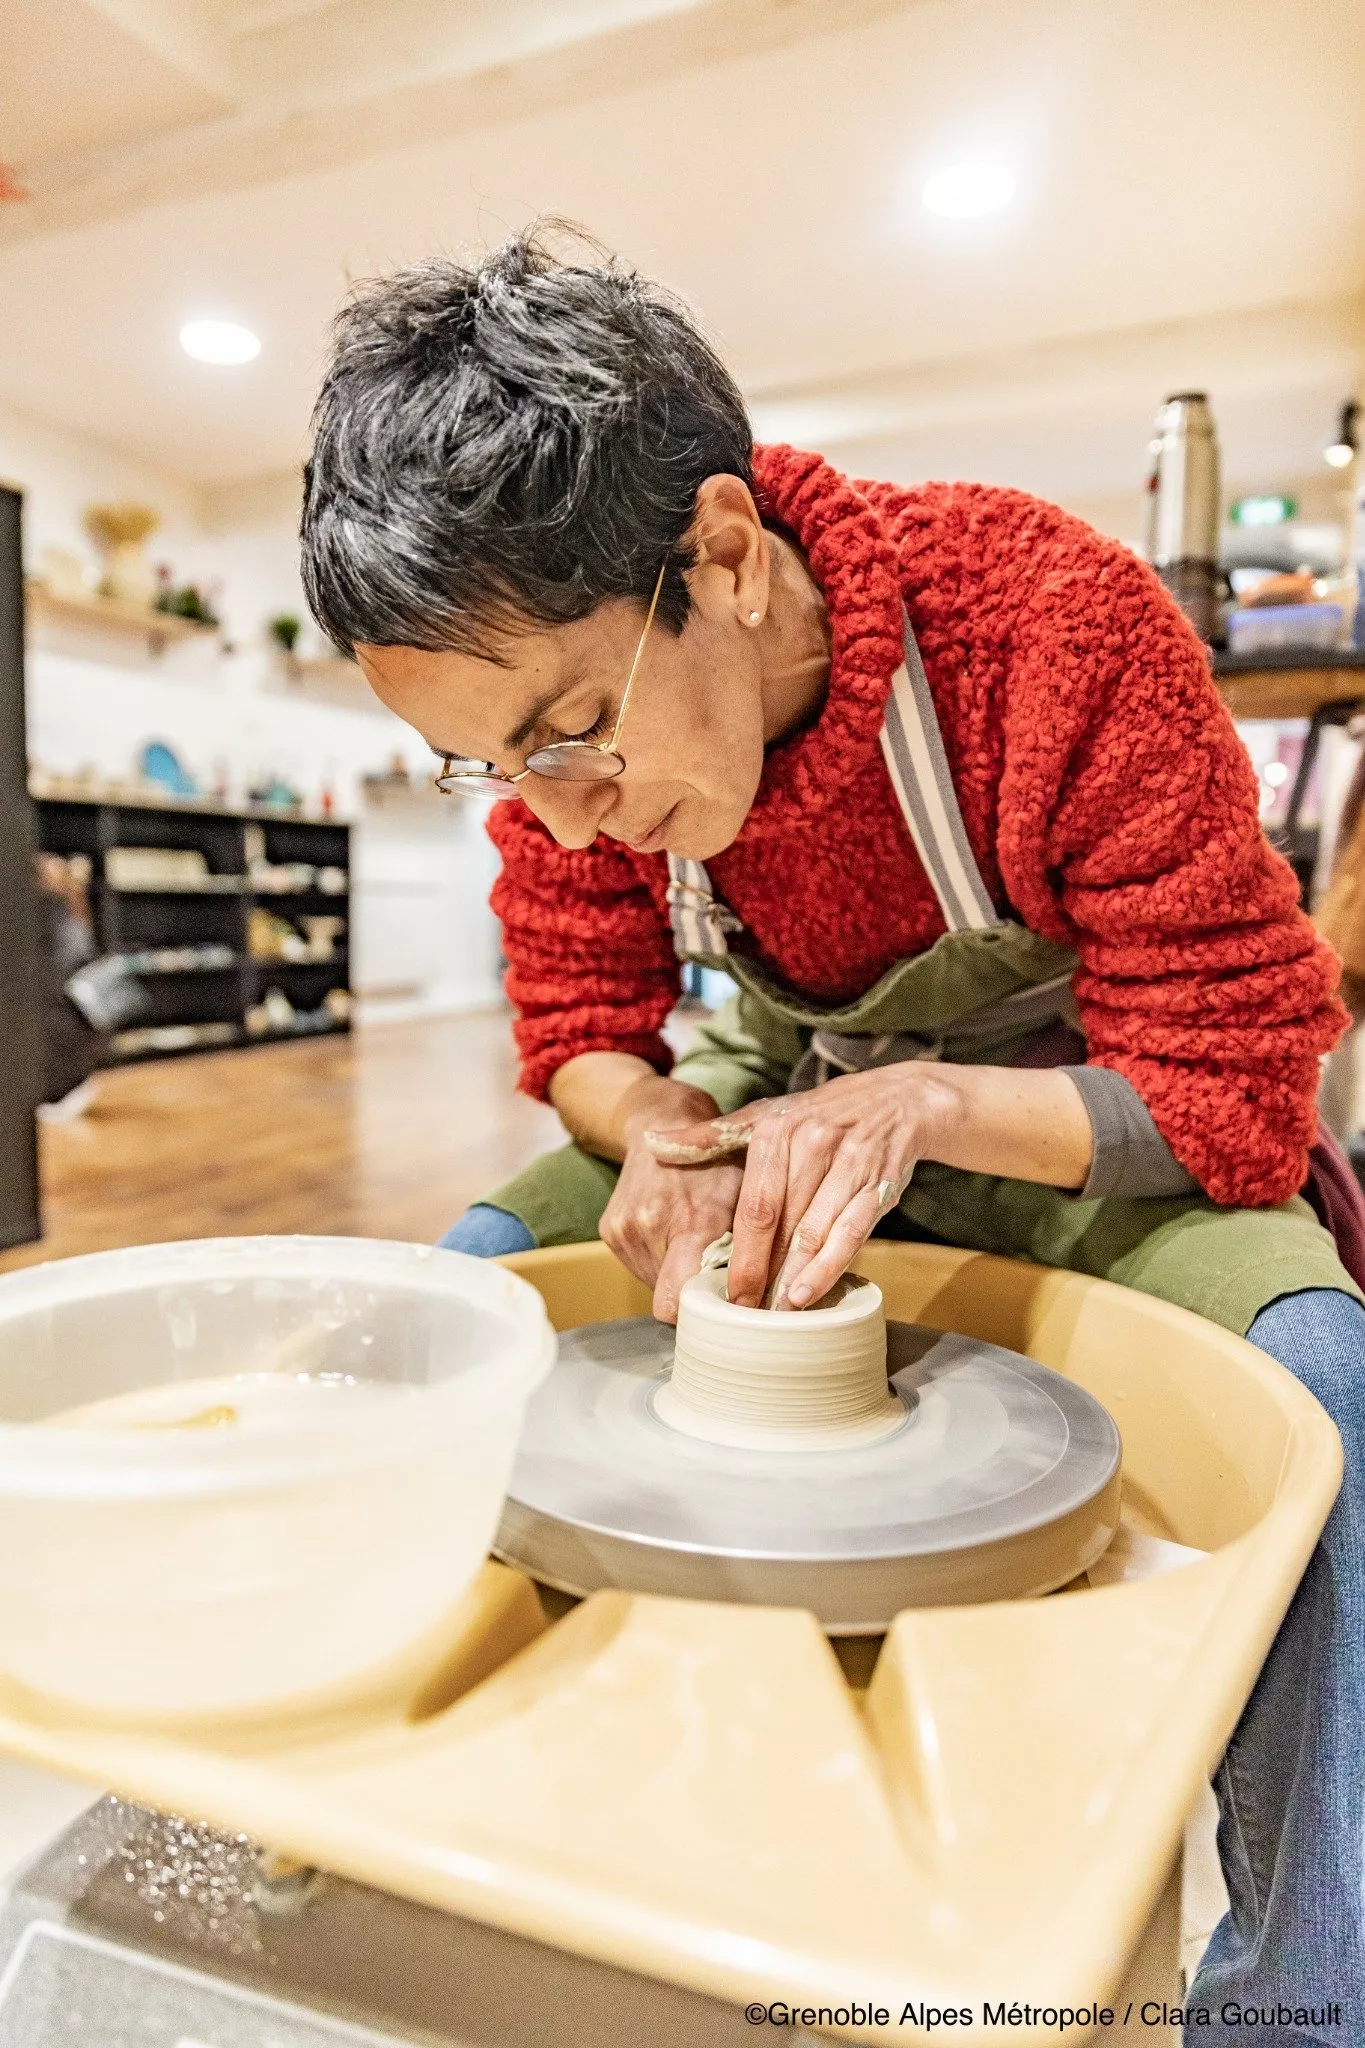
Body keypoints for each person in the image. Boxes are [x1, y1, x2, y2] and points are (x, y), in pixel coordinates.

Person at [300, 225, 1365, 2043]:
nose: (564, 816)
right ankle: (391, 1825)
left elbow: (1240, 1079)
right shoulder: (566, 778)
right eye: (499, 765)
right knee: (456, 1296)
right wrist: (655, 1123)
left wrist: (931, 1103)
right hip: (777, 1089)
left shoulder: (1050, 621)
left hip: (1077, 1107)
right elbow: (578, 1028)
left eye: (575, 730)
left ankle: (1298, 1997)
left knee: (1329, 1395)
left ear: (724, 553)